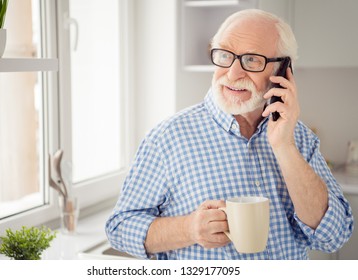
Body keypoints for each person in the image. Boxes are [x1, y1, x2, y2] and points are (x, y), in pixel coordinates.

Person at [105, 9, 354, 260]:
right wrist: (189, 228)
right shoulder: (167, 139)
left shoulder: (299, 138)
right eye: (225, 56)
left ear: (282, 71)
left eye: (252, 60)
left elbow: (334, 235)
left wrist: (285, 147)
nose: (233, 74)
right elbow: (120, 227)